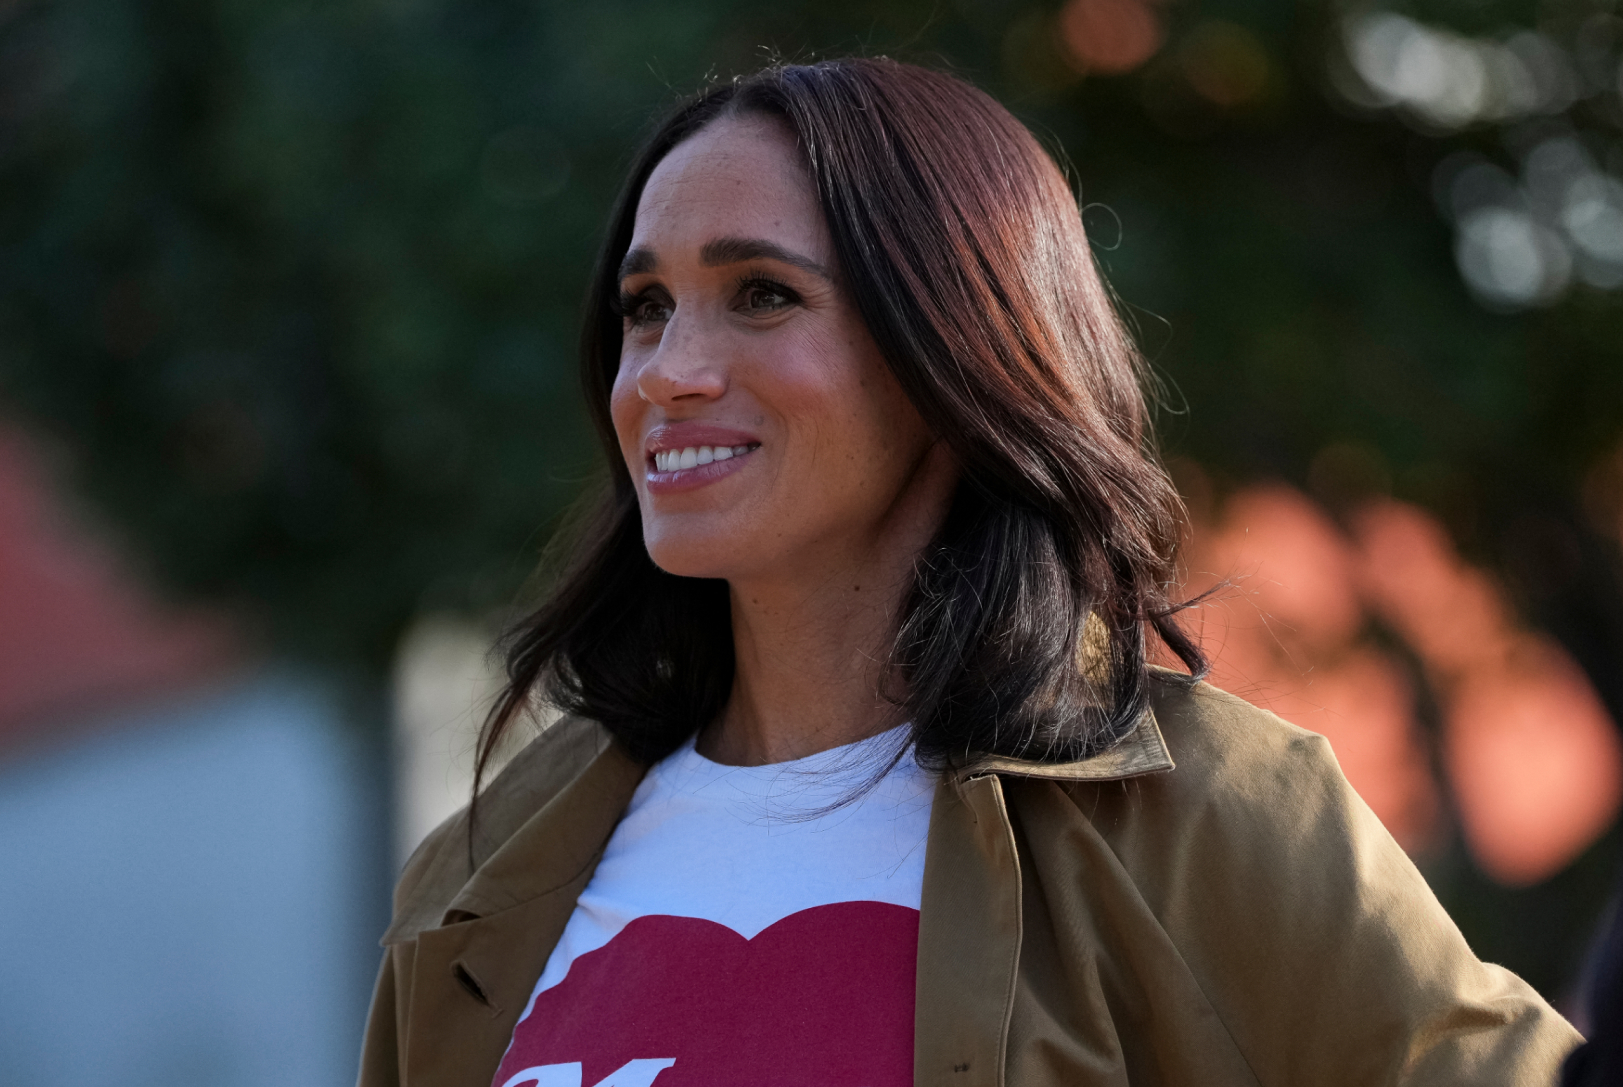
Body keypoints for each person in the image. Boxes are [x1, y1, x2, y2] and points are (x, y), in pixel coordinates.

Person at [358, 57, 1580, 1087]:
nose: (668, 369)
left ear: (952, 347)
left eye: (762, 295)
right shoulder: (484, 869)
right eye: (645, 307)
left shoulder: (1208, 818)